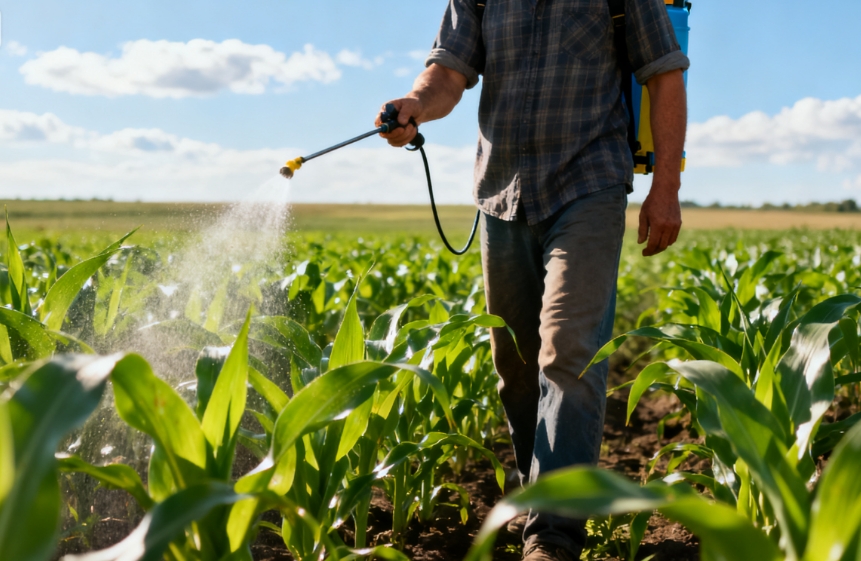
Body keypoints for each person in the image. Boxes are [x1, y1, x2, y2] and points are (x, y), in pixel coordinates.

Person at [377, 1, 689, 559]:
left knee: (568, 350)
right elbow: (449, 72)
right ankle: (540, 494)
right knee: (515, 367)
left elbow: (663, 72)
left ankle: (554, 533)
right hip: (501, 192)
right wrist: (414, 105)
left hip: (588, 182)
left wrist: (666, 185)